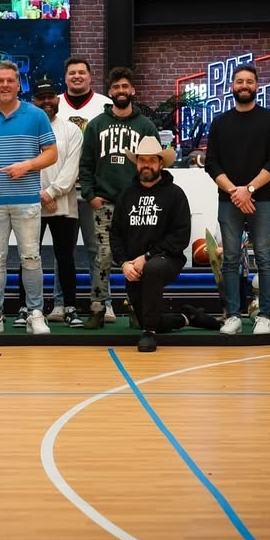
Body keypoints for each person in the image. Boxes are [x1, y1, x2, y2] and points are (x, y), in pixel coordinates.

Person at [0, 60, 57, 335]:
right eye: (0, 80)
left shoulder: (36, 115)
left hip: (27, 201)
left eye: (10, 80)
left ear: (18, 84)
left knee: (31, 257)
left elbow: (52, 154)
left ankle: (35, 314)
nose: (5, 85)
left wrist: (27, 165)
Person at [205, 63, 270, 336]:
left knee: (263, 256)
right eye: (239, 81)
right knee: (230, 259)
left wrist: (248, 190)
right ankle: (233, 316)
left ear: (256, 86)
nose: (244, 86)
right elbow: (212, 163)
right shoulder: (220, 122)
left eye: (249, 81)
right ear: (232, 86)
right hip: (229, 200)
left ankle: (264, 315)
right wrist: (235, 192)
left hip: (261, 199)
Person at [78, 66, 158, 326]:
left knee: (137, 257)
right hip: (104, 204)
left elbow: (156, 164)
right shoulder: (96, 125)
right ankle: (98, 309)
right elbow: (86, 164)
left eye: (125, 86)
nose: (121, 91)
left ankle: (136, 309)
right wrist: (90, 194)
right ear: (109, 92)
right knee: (102, 256)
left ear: (133, 90)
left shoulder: (145, 126)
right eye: (116, 87)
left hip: (136, 205)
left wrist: (149, 196)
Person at [111, 137, 202, 352]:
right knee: (145, 317)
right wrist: (124, 263)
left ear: (161, 163)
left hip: (166, 259)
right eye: (142, 160)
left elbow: (180, 236)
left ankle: (149, 334)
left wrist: (147, 256)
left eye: (152, 160)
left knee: (152, 269)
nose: (146, 165)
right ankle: (186, 318)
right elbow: (115, 234)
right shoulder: (126, 195)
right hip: (134, 263)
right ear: (137, 163)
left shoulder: (175, 194)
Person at [17, 79, 84, 328]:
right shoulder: (24, 129)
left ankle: (70, 307)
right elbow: (21, 165)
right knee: (28, 257)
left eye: (50, 97)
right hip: (30, 204)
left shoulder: (71, 130)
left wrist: (52, 192)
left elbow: (72, 167)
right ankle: (26, 308)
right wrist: (40, 195)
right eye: (40, 98)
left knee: (65, 258)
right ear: (33, 101)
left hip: (63, 205)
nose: (46, 101)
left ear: (57, 99)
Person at [55, 57, 112, 314]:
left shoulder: (105, 105)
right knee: (62, 250)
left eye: (81, 72)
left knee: (97, 248)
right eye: (72, 73)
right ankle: (60, 303)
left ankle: (103, 302)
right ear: (65, 77)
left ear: (90, 76)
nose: (76, 76)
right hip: (62, 190)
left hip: (94, 191)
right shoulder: (54, 104)